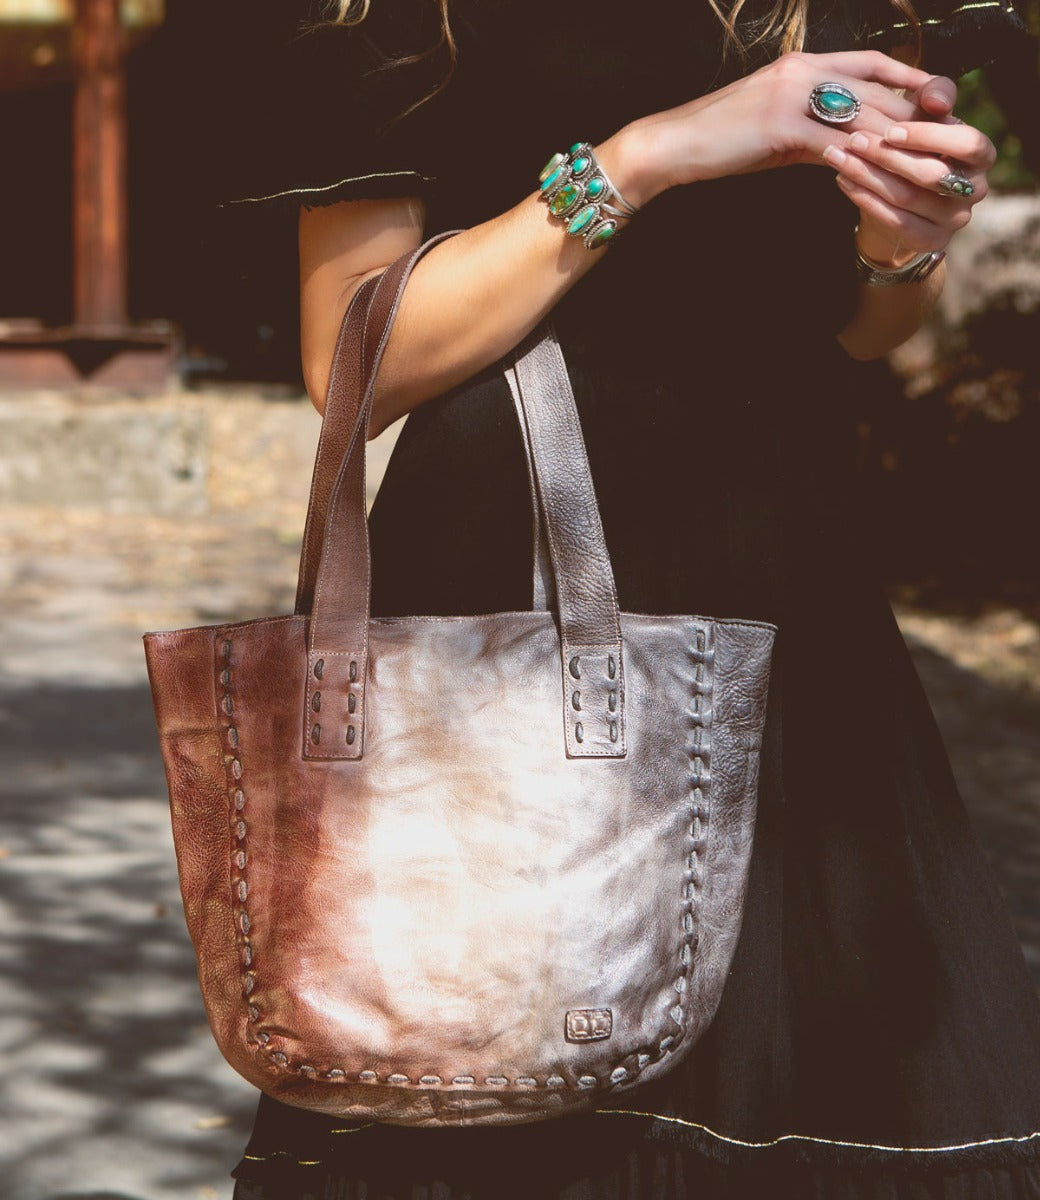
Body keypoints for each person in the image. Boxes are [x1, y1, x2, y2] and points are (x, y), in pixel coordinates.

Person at [217, 0, 1040, 1196]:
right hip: (515, 600)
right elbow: (357, 353)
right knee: (512, 1108)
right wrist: (644, 157)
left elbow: (861, 333)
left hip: (785, 597)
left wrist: (898, 241)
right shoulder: (397, 19)